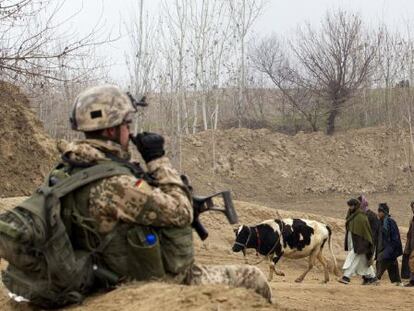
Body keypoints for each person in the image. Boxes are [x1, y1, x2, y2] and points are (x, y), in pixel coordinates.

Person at [1, 85, 272, 307]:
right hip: (130, 281)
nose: (129, 132)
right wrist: (158, 160)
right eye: (127, 124)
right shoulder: (114, 183)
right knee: (252, 277)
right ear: (112, 129)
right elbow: (180, 212)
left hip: (94, 269)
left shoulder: (67, 168)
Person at [339, 198, 377, 285]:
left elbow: (365, 232)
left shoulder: (361, 216)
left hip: (361, 243)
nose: (350, 207)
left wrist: (364, 243)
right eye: (349, 206)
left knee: (354, 258)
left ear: (356, 206)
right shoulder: (353, 216)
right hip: (355, 242)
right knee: (363, 260)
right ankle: (372, 277)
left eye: (352, 205)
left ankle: (346, 277)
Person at [375, 203, 403, 286]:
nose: (378, 213)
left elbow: (395, 237)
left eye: (380, 211)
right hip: (382, 248)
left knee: (381, 260)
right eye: (378, 211)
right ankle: (397, 281)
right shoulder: (380, 222)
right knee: (392, 264)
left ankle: (376, 278)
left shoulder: (391, 222)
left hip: (390, 248)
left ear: (385, 212)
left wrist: (391, 249)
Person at [403, 201, 414, 287]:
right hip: (412, 245)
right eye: (412, 207)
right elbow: (409, 234)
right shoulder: (412, 220)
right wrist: (407, 247)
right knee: (412, 263)